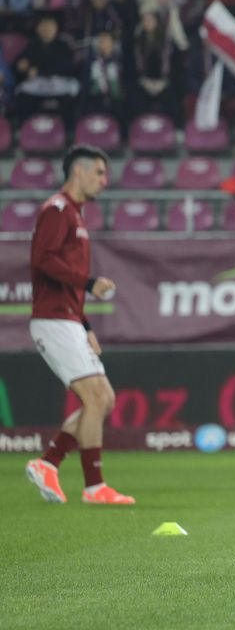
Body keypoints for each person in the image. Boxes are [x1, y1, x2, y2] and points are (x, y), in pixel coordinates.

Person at [24, 145, 135, 506]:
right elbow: (42, 259)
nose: (104, 180)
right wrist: (89, 283)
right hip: (53, 320)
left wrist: (85, 324)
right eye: (99, 173)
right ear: (79, 172)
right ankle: (93, 486)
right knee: (97, 397)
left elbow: (62, 279)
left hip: (67, 319)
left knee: (104, 401)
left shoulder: (75, 214)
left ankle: (49, 463)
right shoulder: (57, 210)